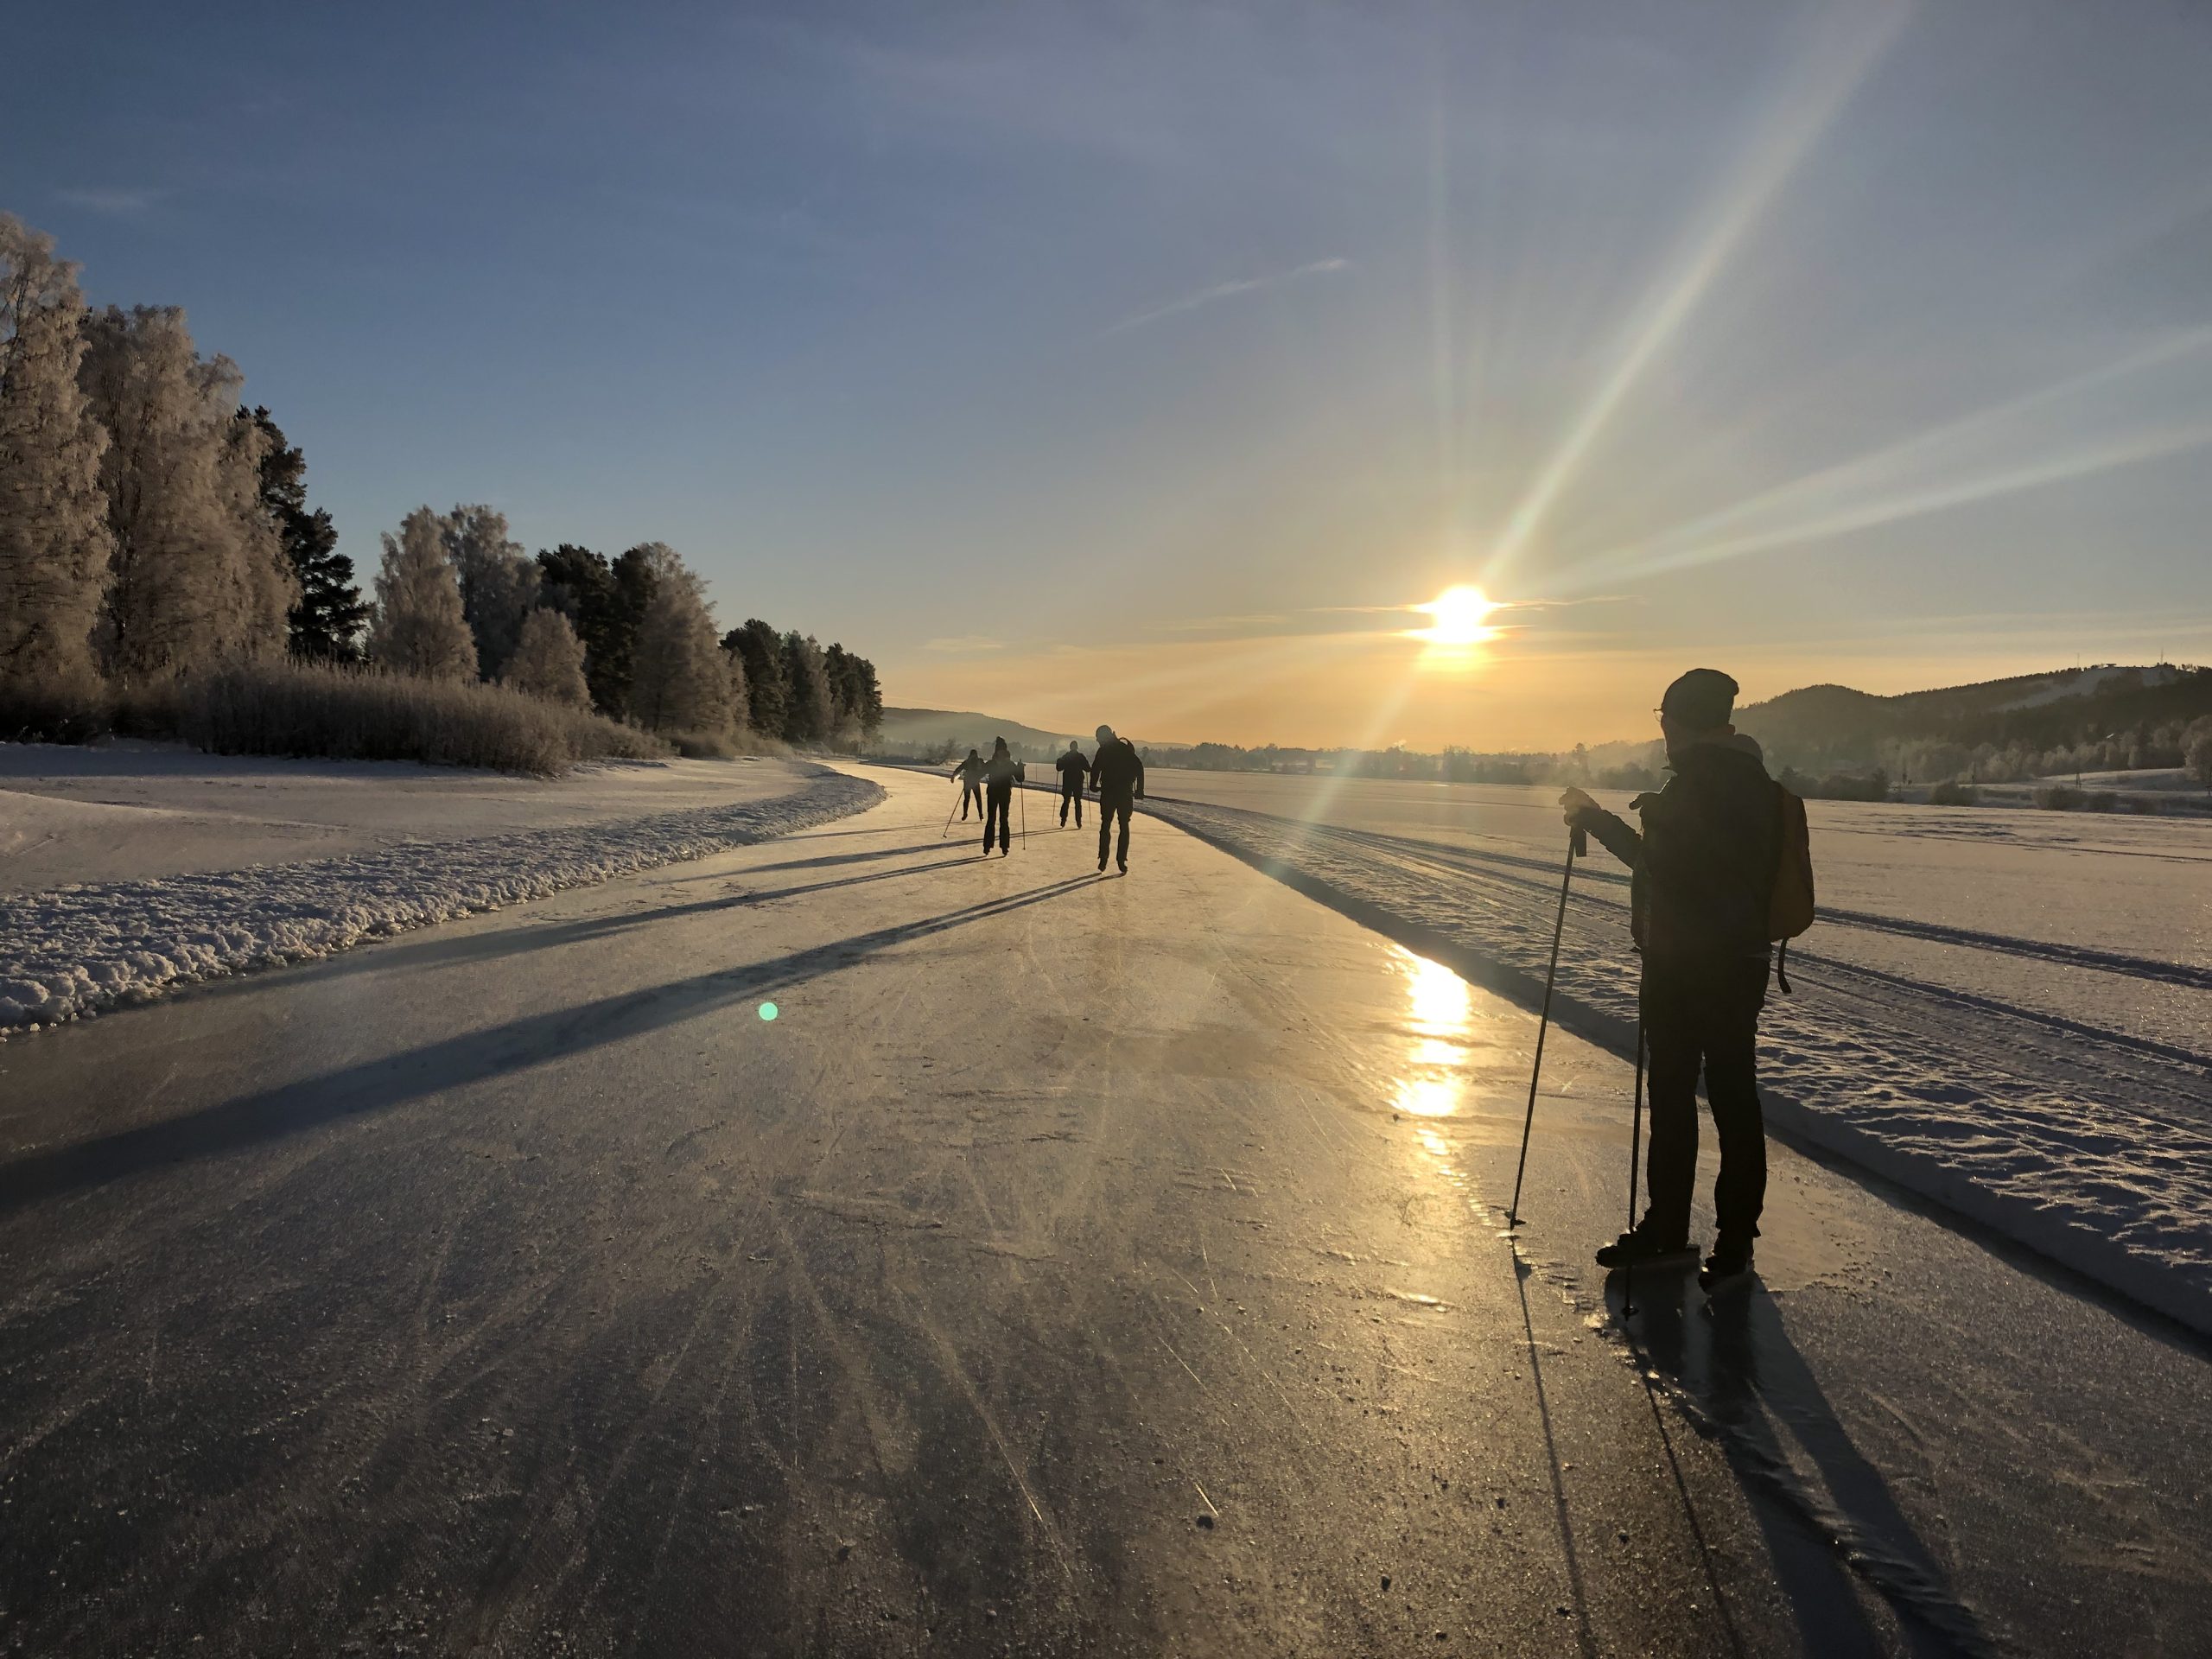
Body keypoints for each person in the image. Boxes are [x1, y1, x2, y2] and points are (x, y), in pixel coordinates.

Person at [1559, 668, 1779, 1294]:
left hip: (1685, 966)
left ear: (1681, 723)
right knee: (1735, 1097)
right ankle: (1734, 1244)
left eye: (1664, 720)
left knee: (1676, 1094)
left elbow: (1663, 868)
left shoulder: (1695, 786)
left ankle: (1667, 1229)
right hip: (1740, 964)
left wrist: (1600, 821)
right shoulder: (1754, 781)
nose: (1662, 732)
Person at [1089, 723, 1145, 874]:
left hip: (1109, 793)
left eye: (1098, 738)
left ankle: (1103, 858)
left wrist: (1093, 785)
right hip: (1124, 794)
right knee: (1124, 825)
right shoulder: (1125, 749)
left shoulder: (1103, 751)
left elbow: (1095, 769)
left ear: (1103, 737)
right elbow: (1139, 768)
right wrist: (1139, 790)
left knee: (1106, 824)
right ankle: (1121, 860)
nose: (1097, 741)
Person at [981, 736, 1025, 855]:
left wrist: (1020, 768)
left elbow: (1020, 778)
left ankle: (995, 846)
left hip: (998, 793)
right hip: (1000, 793)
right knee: (996, 819)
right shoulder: (1005, 764)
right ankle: (995, 846)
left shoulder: (996, 763)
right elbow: (1020, 778)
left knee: (999, 819)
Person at [1054, 740, 1089, 827]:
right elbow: (1088, 769)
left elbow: (1059, 768)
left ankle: (1063, 820)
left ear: (1070, 747)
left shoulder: (1066, 756)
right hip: (1078, 782)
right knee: (1078, 802)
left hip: (1068, 782)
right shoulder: (1080, 757)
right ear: (1077, 748)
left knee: (1066, 801)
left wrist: (1059, 761)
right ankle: (1079, 821)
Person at [950, 748, 985, 821]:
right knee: (978, 799)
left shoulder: (967, 762)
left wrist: (953, 776)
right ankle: (980, 815)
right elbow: (985, 769)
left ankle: (965, 814)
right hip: (975, 782)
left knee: (967, 799)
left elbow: (959, 769)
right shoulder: (979, 761)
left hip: (968, 782)